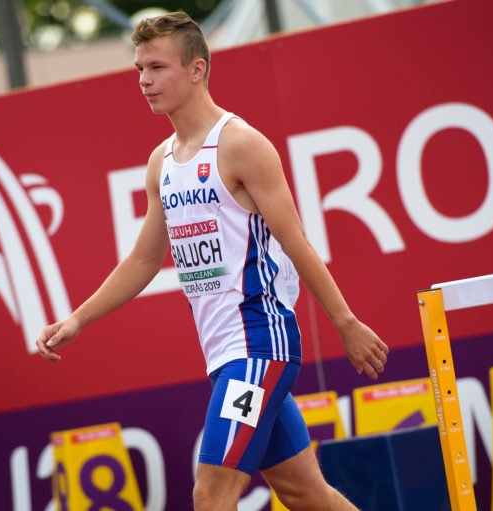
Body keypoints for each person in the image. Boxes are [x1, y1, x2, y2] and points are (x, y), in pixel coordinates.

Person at [36, 11, 389, 511]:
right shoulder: (161, 162)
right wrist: (77, 319)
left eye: (157, 68)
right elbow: (143, 260)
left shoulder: (241, 144)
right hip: (224, 353)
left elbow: (296, 243)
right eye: (139, 69)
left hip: (260, 346)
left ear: (196, 69)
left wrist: (345, 322)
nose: (144, 81)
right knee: (306, 494)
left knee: (211, 492)